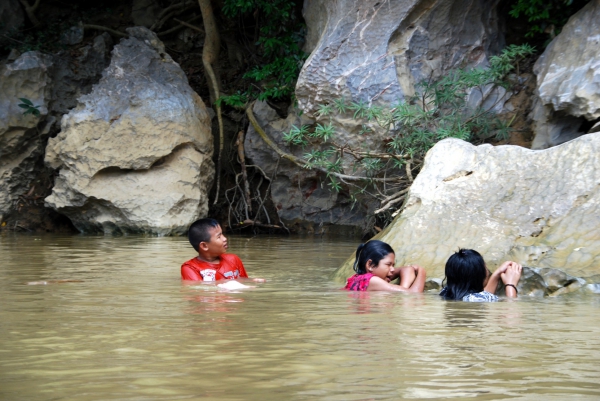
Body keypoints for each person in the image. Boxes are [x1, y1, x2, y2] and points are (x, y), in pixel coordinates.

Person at [181, 218, 264, 282]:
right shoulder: (190, 268)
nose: (225, 239)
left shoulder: (233, 259)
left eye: (223, 234)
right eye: (219, 237)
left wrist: (252, 281)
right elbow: (198, 290)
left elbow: (243, 280)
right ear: (204, 246)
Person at [439, 248, 522, 302]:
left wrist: (496, 275)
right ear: (479, 277)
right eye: (486, 268)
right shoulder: (477, 299)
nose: (488, 272)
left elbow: (483, 295)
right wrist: (510, 284)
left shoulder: (446, 292)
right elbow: (511, 310)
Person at [345, 240, 426, 292]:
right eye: (388, 264)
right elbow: (414, 294)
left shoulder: (357, 278)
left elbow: (407, 269)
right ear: (370, 265)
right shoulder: (373, 280)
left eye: (393, 265)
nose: (393, 269)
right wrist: (422, 271)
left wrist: (403, 289)